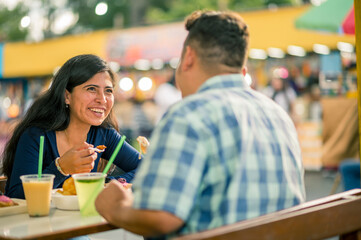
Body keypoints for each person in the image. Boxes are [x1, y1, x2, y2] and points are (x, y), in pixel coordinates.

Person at [95, 10, 305, 239]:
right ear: (241, 70)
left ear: (189, 58)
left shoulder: (187, 115)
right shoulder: (278, 114)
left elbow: (160, 217)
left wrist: (115, 208)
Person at [2, 54, 141, 199]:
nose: (102, 99)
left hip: (87, 220)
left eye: (108, 91)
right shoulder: (36, 135)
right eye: (91, 89)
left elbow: (146, 168)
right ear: (66, 96)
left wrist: (109, 184)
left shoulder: (105, 135)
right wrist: (60, 168)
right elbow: (16, 194)